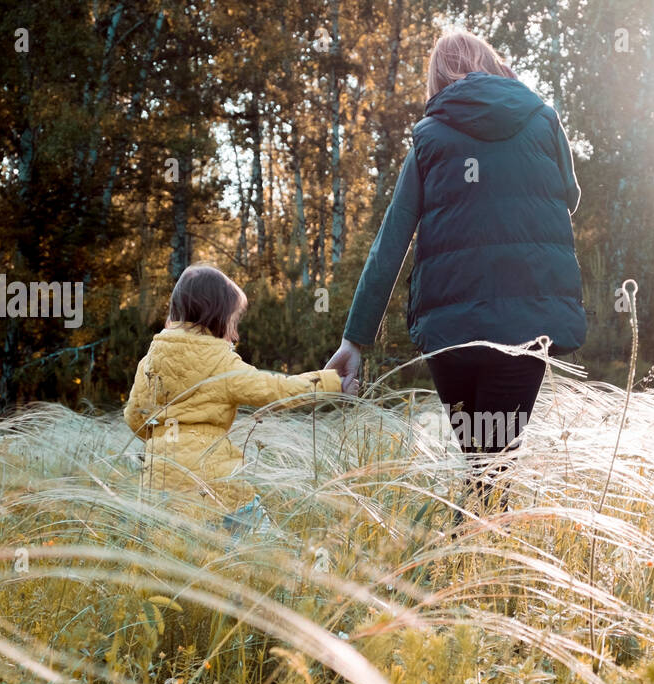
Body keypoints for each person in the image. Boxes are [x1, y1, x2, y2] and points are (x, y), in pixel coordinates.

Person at [327, 29, 585, 512]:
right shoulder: (543, 118)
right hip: (526, 323)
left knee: (480, 465)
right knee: (493, 470)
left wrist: (354, 339)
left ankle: (462, 572)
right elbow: (569, 197)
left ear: (437, 77)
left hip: (451, 331)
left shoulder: (430, 136)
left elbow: (391, 241)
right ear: (492, 63)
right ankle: (480, 573)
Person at [124, 263, 346, 529]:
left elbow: (135, 418)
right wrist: (332, 382)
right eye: (234, 322)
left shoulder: (148, 361)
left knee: (180, 558)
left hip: (158, 485)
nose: (236, 334)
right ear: (216, 316)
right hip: (215, 484)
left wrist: (166, 441)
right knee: (265, 548)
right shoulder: (221, 362)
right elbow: (276, 389)